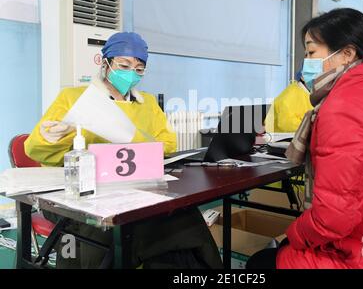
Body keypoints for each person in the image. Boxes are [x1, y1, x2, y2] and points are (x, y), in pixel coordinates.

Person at [247, 8, 363, 269]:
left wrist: (292, 234)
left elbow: (333, 219)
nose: (307, 62)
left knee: (261, 263)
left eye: (312, 52)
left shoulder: (344, 106)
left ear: (347, 54)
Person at [25, 32, 223, 269]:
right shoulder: (75, 98)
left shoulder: (146, 103)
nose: (131, 73)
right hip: (82, 195)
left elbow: (168, 144)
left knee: (182, 215)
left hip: (134, 190)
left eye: (139, 68)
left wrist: (133, 138)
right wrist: (51, 137)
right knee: (138, 224)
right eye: (124, 65)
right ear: (104, 62)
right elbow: (35, 150)